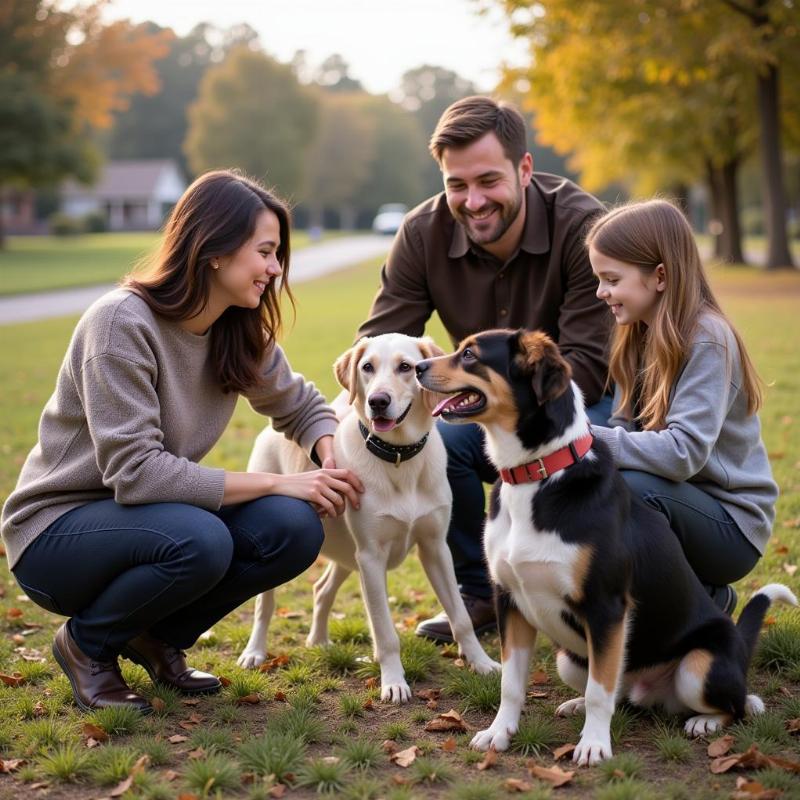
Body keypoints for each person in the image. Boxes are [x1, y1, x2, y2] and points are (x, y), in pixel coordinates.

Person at [1, 170, 363, 712]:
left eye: (277, 254)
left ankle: (155, 637)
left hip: (150, 523)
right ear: (215, 250)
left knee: (292, 528)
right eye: (265, 251)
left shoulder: (237, 329)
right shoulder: (121, 324)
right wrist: (282, 481)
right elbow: (138, 473)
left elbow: (302, 406)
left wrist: (328, 457)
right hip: (56, 536)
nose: (275, 268)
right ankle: (85, 645)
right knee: (203, 538)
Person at [355, 96, 612, 642]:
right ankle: (483, 593)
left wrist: (505, 419)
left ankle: (590, 590)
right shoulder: (421, 233)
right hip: (484, 408)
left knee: (608, 463)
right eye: (456, 184)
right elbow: (376, 342)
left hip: (577, 405)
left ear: (524, 169)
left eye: (488, 181)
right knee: (440, 442)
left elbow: (588, 363)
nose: (472, 201)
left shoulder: (581, 226)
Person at [586, 199, 777, 614]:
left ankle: (703, 602)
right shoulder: (636, 333)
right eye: (599, 279)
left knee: (633, 490)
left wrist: (585, 439)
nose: (602, 292)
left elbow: (682, 454)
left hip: (731, 526)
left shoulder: (707, 338)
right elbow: (624, 425)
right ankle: (658, 604)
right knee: (602, 483)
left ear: (659, 276)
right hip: (682, 502)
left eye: (611, 279)